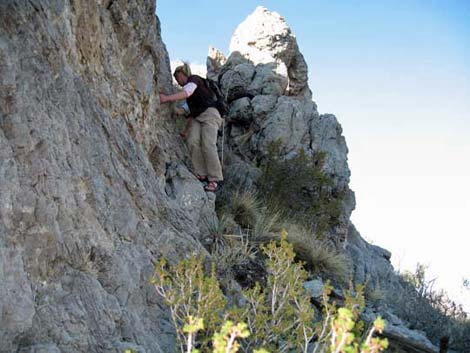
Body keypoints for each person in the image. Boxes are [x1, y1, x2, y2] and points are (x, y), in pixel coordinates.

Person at [159, 63, 223, 192]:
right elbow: (187, 111)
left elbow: (187, 92)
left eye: (178, 77)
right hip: (197, 117)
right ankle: (202, 174)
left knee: (208, 144)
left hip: (211, 114)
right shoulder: (190, 97)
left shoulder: (194, 79)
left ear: (183, 74)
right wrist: (185, 129)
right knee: (192, 141)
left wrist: (166, 99)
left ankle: (214, 179)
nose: (178, 81)